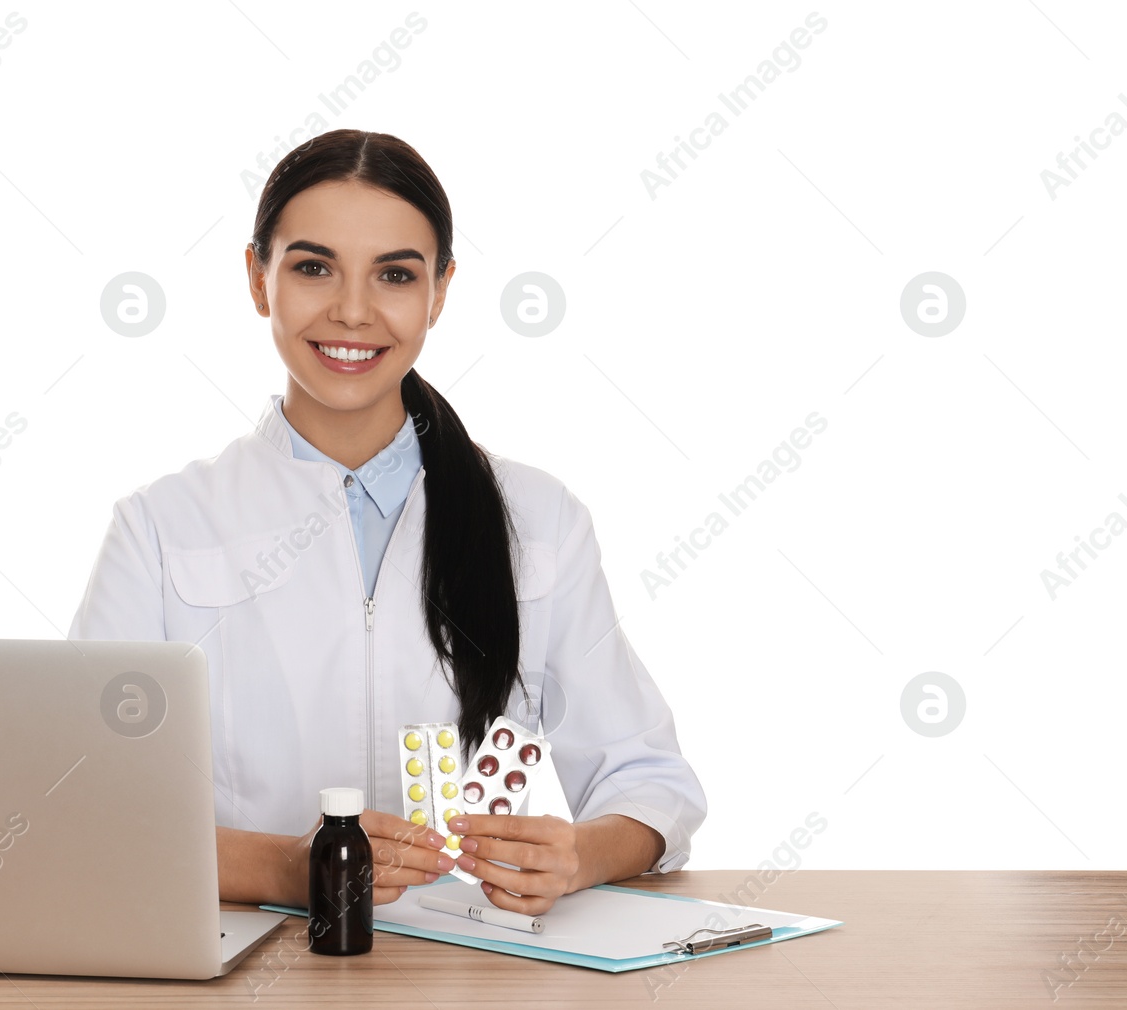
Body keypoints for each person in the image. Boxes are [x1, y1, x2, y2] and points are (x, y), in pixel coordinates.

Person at [67, 129, 706, 916]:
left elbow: (651, 782)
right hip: (250, 974)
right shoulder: (161, 530)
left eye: (395, 275)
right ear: (257, 279)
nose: (353, 311)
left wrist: (576, 857)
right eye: (312, 267)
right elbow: (87, 809)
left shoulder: (540, 523)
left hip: (471, 977)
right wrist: (287, 869)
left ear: (439, 292)